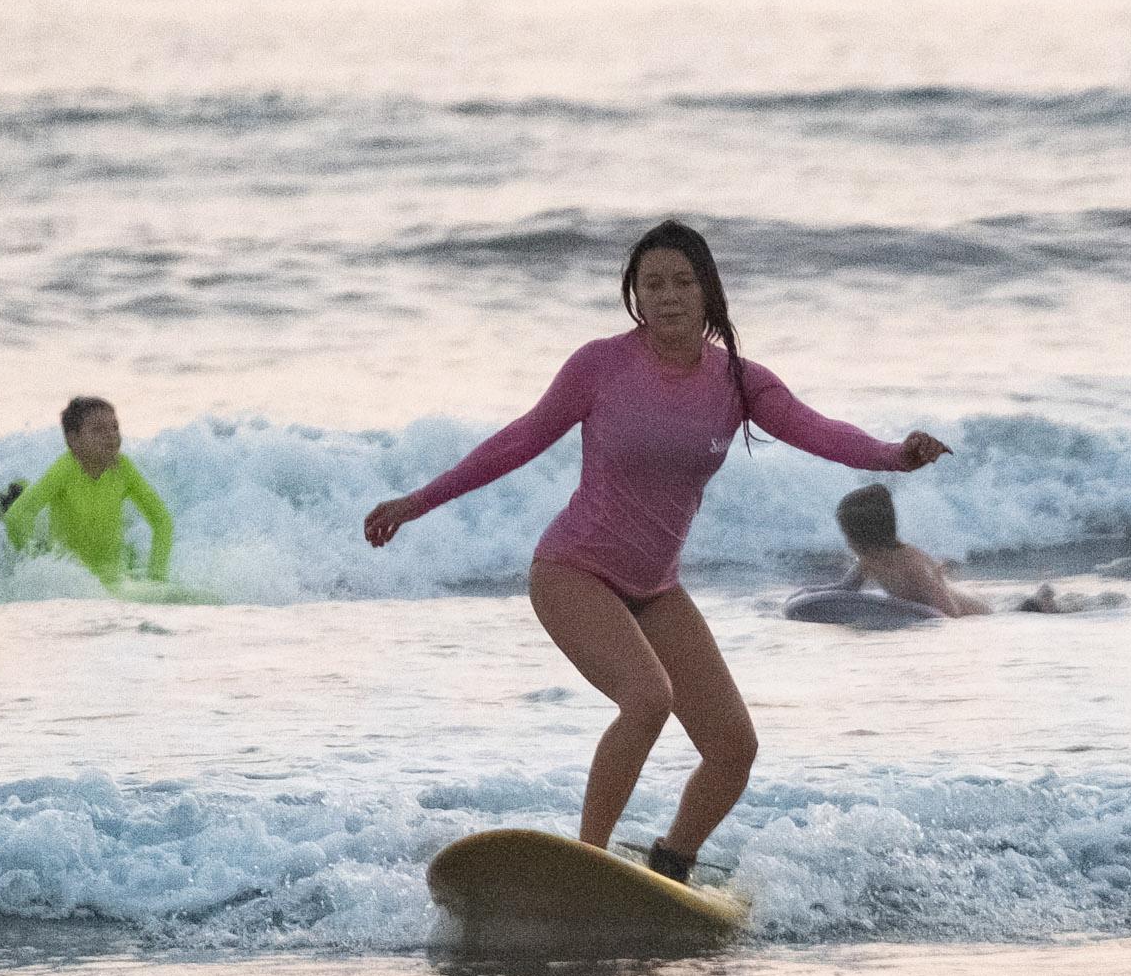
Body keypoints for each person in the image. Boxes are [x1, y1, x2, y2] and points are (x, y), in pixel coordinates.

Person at [362, 219, 947, 883]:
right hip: (573, 571)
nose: (667, 296)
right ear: (635, 296)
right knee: (647, 700)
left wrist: (895, 456)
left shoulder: (740, 382)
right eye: (651, 284)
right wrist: (417, 502)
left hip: (656, 589)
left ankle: (671, 866)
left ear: (707, 293)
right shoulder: (600, 366)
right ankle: (587, 865)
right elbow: (517, 441)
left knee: (733, 748)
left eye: (681, 282)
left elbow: (820, 431)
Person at [3, 395, 175, 590]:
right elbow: (17, 516)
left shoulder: (123, 468)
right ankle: (15, 495)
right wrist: (38, 567)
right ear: (73, 439)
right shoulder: (66, 468)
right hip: (72, 579)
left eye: (114, 427)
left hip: (114, 577)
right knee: (20, 508)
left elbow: (162, 521)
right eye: (98, 430)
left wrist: (156, 578)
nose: (111, 435)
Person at [832, 483, 1064, 618]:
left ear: (867, 536)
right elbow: (843, 590)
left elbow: (948, 612)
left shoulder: (911, 563)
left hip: (972, 613)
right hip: (951, 605)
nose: (847, 542)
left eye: (848, 536)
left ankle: (1041, 600)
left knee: (1020, 613)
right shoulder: (867, 560)